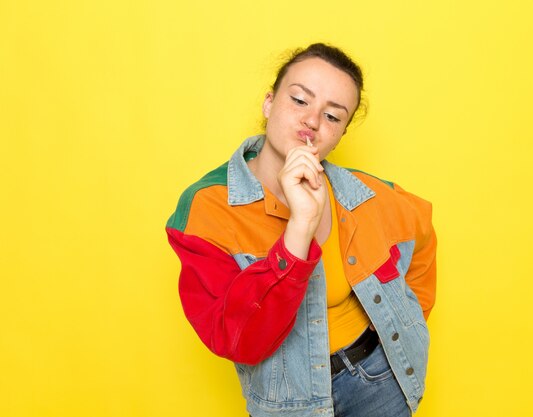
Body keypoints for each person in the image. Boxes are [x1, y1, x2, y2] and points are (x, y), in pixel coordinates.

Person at [166, 43, 436, 417]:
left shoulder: (367, 196)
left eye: (332, 116)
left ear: (341, 133)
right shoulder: (207, 208)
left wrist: (409, 327)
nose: (312, 121)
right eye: (299, 100)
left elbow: (420, 238)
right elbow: (235, 339)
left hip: (380, 383)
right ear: (268, 103)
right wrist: (300, 226)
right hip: (289, 401)